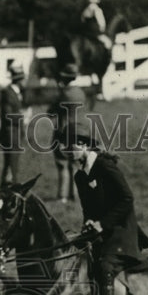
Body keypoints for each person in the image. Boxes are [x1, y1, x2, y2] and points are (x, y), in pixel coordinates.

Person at [62, 126, 148, 295]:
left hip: (121, 232)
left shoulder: (104, 166)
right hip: (99, 233)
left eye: (71, 147)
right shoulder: (79, 176)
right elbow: (87, 210)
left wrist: (102, 223)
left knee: (104, 266)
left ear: (83, 145)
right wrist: (86, 228)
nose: (67, 151)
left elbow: (127, 199)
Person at [48, 63, 87, 204]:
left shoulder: (63, 94)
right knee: (76, 164)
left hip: (64, 132)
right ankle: (75, 195)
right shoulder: (81, 93)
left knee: (62, 163)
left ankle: (62, 195)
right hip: (81, 130)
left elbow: (50, 111)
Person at [0, 62, 28, 189]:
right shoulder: (8, 93)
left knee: (11, 163)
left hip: (14, 132)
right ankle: (12, 188)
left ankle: (6, 188)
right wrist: (23, 116)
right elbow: (8, 115)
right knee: (12, 164)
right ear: (18, 80)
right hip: (10, 133)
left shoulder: (16, 92)